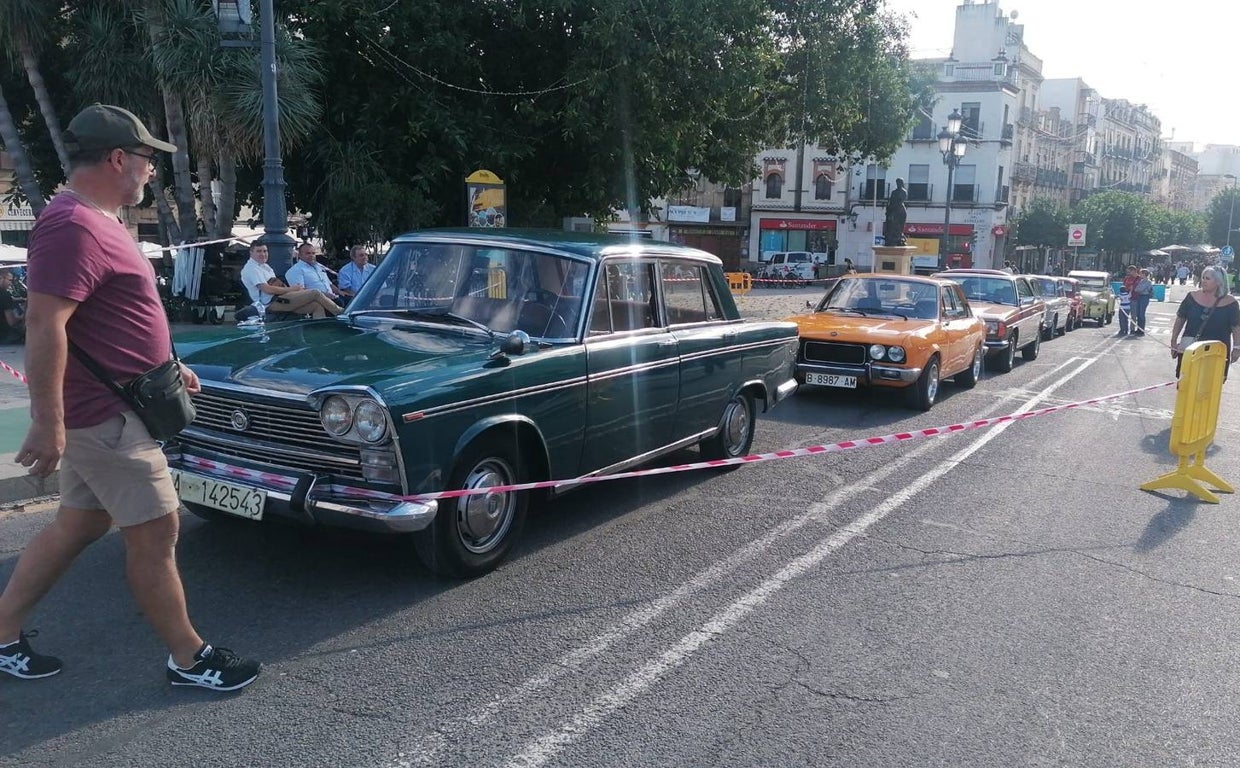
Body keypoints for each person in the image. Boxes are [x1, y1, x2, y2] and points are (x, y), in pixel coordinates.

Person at [0, 104, 261, 690]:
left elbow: (111, 319)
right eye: (146, 160)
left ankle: (1, 633)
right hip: (109, 420)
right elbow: (45, 325)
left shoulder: (93, 220)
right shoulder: (72, 226)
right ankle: (190, 658)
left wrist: (166, 365)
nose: (150, 172)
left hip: (120, 406)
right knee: (159, 530)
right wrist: (46, 421)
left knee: (78, 525)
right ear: (118, 158)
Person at [1170, 265, 1240, 378]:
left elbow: (1236, 327)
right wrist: (1174, 340)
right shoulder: (1191, 297)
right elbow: (1180, 318)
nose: (1203, 281)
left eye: (1207, 278)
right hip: (1190, 348)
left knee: (1211, 385)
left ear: (1218, 282)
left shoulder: (1231, 303)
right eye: (1203, 277)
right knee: (1185, 383)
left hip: (1216, 351)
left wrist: (1237, 348)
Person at [239, 242, 341, 318]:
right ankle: (341, 313)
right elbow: (268, 290)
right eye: (259, 251)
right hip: (271, 303)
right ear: (251, 253)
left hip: (281, 299)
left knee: (316, 306)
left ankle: (319, 334)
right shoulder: (252, 268)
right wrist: (292, 289)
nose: (263, 254)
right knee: (315, 293)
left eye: (265, 251)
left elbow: (275, 285)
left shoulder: (264, 266)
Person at [0, 268, 24, 343]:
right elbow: (11, 322)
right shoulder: (4, 294)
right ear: (1, 278)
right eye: (9, 280)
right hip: (5, 336)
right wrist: (23, 316)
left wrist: (21, 299)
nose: (10, 283)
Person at [881, 178, 907, 247]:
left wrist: (892, 207)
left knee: (899, 224)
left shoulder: (903, 191)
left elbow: (900, 201)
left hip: (900, 209)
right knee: (890, 223)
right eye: (897, 183)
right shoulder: (894, 192)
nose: (898, 184)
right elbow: (891, 200)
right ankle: (891, 237)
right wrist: (889, 208)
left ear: (901, 183)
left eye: (899, 182)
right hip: (893, 208)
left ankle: (898, 236)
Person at [1131, 268, 1153, 336]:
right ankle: (1138, 328)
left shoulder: (1148, 282)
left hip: (1144, 297)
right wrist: (1139, 289)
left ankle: (1141, 329)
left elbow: (1141, 289)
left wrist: (1140, 289)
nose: (1140, 275)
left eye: (1141, 273)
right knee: (1138, 313)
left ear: (1144, 274)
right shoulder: (1141, 281)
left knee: (1141, 314)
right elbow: (1137, 289)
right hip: (1140, 297)